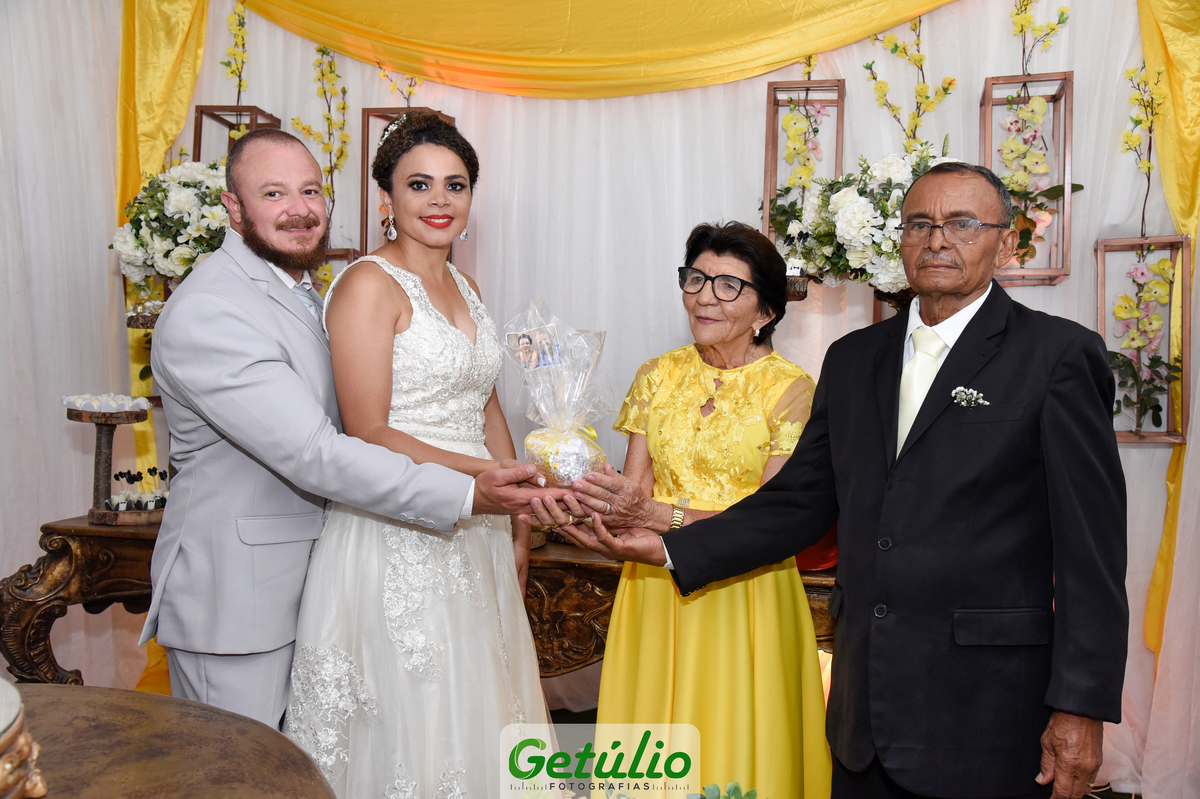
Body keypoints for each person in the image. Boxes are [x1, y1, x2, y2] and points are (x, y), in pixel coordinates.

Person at [541, 163, 1128, 799]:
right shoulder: (853, 359)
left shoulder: (1058, 355)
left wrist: (1081, 706)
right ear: (900, 241)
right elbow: (798, 503)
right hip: (862, 703)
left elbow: (1092, 551)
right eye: (920, 224)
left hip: (986, 704)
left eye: (962, 224)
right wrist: (667, 545)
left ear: (1006, 243)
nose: (937, 240)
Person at [141, 127, 558, 730]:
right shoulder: (213, 307)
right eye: (274, 193)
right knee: (242, 771)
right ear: (232, 205)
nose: (299, 209)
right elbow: (319, 450)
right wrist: (478, 489)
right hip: (241, 603)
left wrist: (509, 509)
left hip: (325, 570)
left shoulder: (301, 290)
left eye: (310, 191)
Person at [283, 113, 547, 798]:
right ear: (387, 197)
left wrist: (518, 515)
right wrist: (489, 477)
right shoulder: (367, 284)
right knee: (412, 716)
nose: (439, 200)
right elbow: (367, 430)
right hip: (395, 528)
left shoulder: (469, 289)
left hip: (479, 523)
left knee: (477, 704)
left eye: (455, 185)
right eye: (419, 184)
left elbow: (487, 409)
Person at [552, 222, 832, 797]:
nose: (705, 296)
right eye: (696, 279)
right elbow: (632, 496)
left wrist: (657, 519)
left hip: (746, 587)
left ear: (765, 311)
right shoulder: (657, 375)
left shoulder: (793, 391)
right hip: (654, 583)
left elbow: (772, 521)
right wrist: (576, 493)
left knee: (734, 738)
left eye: (729, 285)